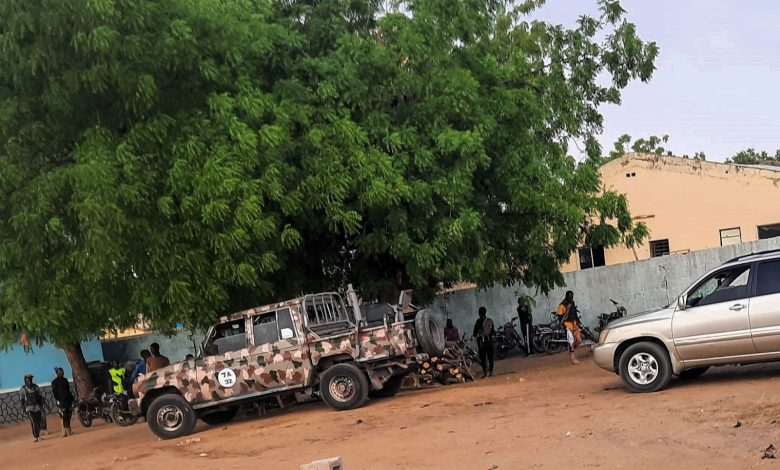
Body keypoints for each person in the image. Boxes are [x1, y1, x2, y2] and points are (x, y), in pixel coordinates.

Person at [557, 291, 582, 365]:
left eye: (572, 296)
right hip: (567, 325)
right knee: (571, 340)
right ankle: (572, 358)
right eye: (570, 296)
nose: (571, 298)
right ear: (567, 296)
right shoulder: (561, 305)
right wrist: (562, 326)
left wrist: (578, 321)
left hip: (574, 324)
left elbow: (575, 313)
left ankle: (571, 350)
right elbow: (560, 317)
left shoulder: (572, 303)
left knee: (578, 340)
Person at [19, 373, 45, 442]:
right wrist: (24, 409)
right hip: (29, 408)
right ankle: (36, 436)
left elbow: (40, 397)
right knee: (33, 421)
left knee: (38, 421)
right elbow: (22, 400)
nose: (30, 382)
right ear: (25, 381)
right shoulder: (23, 389)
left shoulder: (36, 387)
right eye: (28, 380)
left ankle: (38, 434)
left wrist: (41, 407)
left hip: (37, 407)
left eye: (30, 380)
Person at [51, 367, 74, 437]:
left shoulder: (65, 380)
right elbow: (55, 393)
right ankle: (66, 431)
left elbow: (68, 390)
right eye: (60, 371)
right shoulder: (54, 382)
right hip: (61, 401)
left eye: (62, 371)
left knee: (69, 414)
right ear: (57, 373)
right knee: (64, 415)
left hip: (68, 400)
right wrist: (59, 400)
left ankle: (68, 429)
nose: (62, 372)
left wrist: (72, 398)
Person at [472, 307, 495, 378]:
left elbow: (474, 333)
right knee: (490, 357)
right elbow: (492, 332)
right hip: (489, 342)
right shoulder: (489, 321)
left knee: (483, 358)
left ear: (479, 313)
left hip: (482, 343)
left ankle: (485, 373)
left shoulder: (478, 322)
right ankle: (491, 372)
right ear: (485, 312)